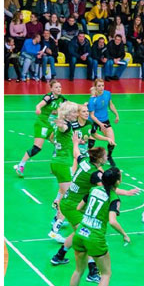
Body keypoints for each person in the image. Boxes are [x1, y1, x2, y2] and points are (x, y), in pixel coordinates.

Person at [63, 167, 131, 286]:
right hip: (95, 237)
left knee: (78, 270)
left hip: (80, 233)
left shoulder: (93, 190)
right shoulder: (114, 198)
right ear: (117, 182)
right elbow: (112, 221)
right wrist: (124, 234)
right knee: (106, 273)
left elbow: (79, 208)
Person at [14, 80, 67, 178]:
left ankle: (54, 167)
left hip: (52, 125)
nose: (59, 89)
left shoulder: (62, 99)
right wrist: (38, 109)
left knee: (58, 144)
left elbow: (70, 106)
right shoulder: (48, 97)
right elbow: (39, 105)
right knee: (37, 148)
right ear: (51, 89)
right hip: (42, 123)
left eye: (60, 87)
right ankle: (20, 165)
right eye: (56, 87)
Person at [46, 101, 82, 242]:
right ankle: (55, 230)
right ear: (67, 113)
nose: (76, 114)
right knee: (68, 198)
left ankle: (56, 217)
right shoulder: (65, 125)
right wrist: (61, 124)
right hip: (64, 164)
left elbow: (52, 137)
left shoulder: (64, 125)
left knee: (62, 193)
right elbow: (63, 128)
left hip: (56, 162)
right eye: (74, 112)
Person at [87, 78, 120, 166]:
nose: (101, 87)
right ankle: (89, 157)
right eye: (99, 86)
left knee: (112, 141)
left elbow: (111, 104)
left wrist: (116, 115)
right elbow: (92, 115)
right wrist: (100, 124)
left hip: (105, 120)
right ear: (95, 87)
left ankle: (109, 156)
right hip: (93, 121)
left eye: (102, 85)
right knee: (91, 141)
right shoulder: (92, 100)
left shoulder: (107, 94)